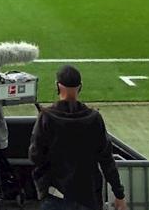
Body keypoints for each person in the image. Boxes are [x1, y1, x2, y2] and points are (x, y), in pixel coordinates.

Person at [29, 65, 127, 210]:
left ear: (57, 86)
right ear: (80, 87)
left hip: (55, 195)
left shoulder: (47, 117)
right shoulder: (94, 119)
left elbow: (35, 156)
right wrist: (119, 195)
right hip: (88, 197)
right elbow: (107, 160)